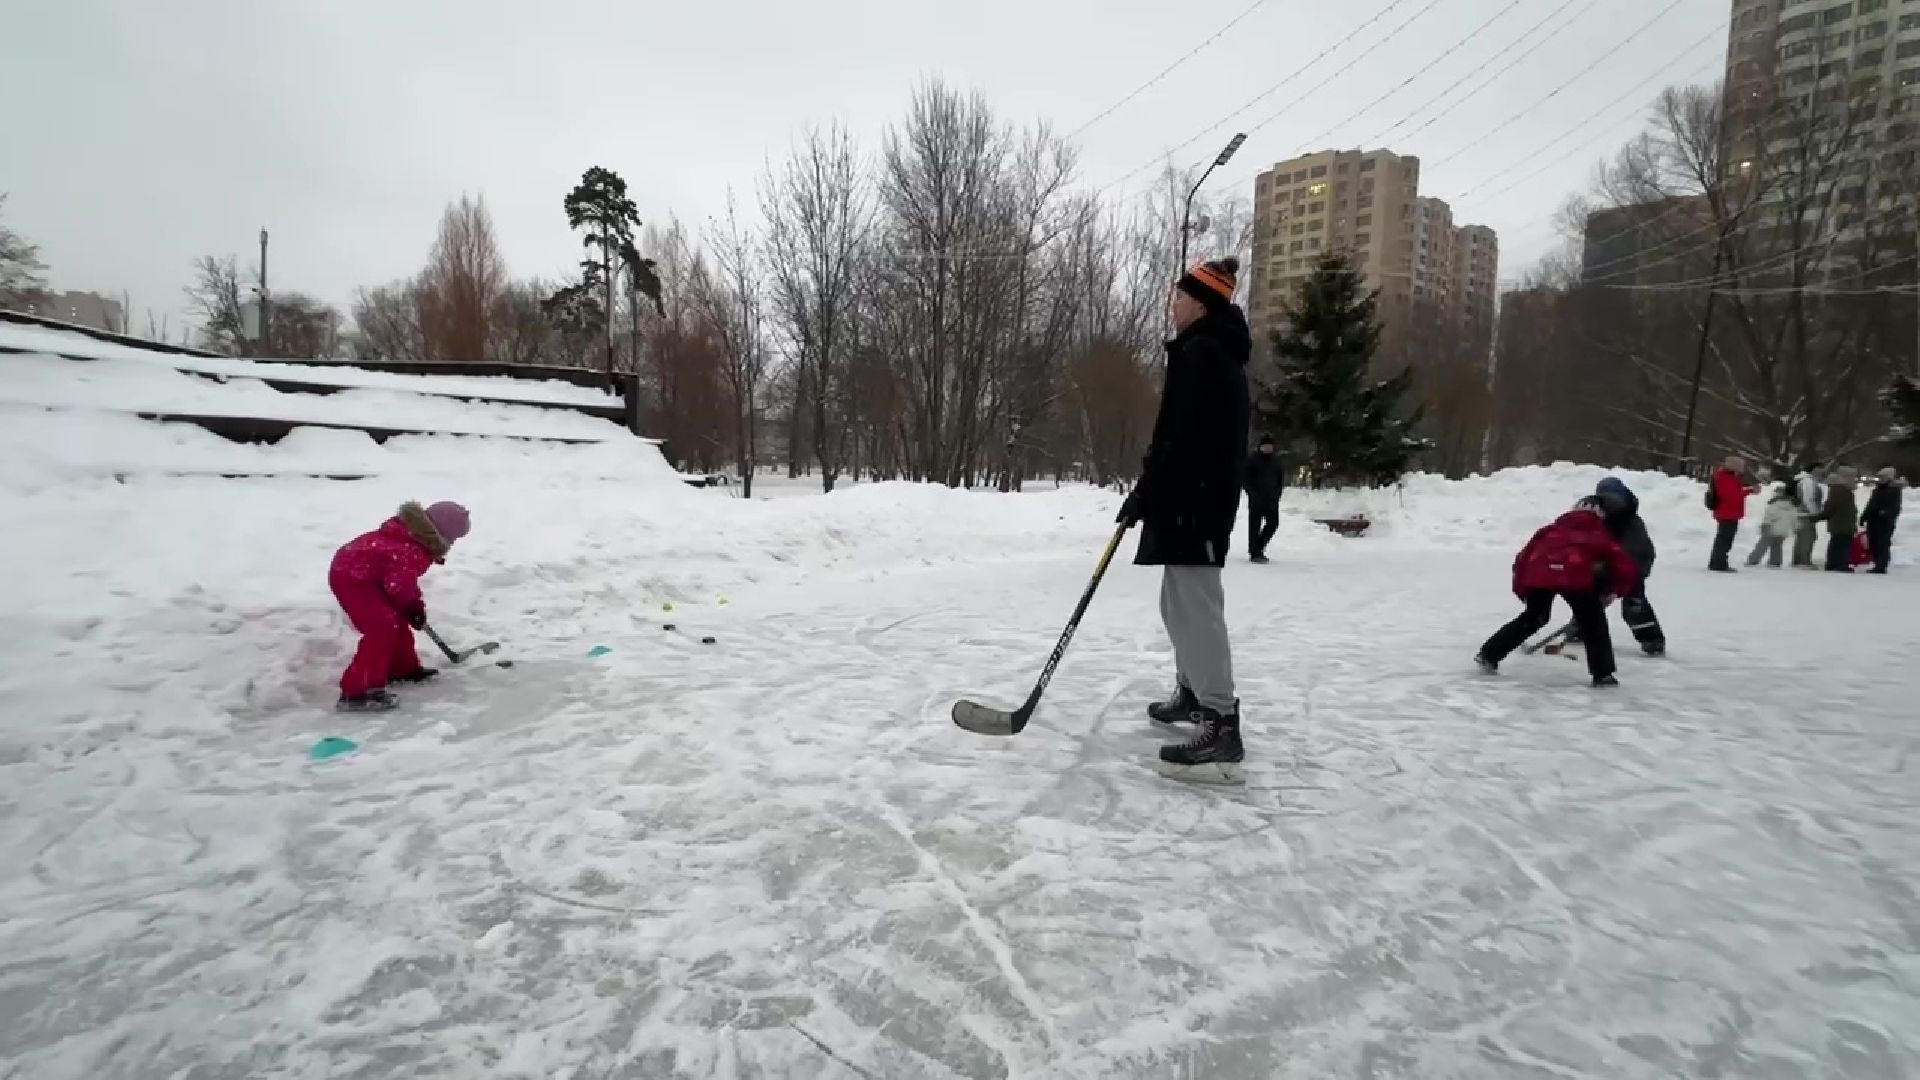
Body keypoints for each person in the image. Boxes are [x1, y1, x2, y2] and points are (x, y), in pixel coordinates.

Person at [1123, 255, 1251, 783]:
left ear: (1200, 304)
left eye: (1178, 297)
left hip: (1197, 502)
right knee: (1178, 606)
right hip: (1188, 499)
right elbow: (1175, 435)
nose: (1172, 304)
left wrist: (1149, 491)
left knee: (1196, 609)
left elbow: (1184, 438)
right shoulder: (1205, 351)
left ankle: (1221, 722)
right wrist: (1150, 490)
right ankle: (1194, 693)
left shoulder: (1206, 354)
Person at [1476, 498, 1641, 687]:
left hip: (1540, 574)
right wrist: (1614, 591)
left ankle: (1488, 654)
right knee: (1593, 623)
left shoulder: (1549, 530)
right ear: (1600, 513)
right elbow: (1623, 565)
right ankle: (1603, 674)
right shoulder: (1598, 532)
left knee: (1534, 617)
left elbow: (1522, 559)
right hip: (1574, 577)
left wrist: (1522, 589)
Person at [330, 500, 471, 711]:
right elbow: (401, 585)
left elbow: (400, 582)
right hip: (353, 579)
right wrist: (414, 607)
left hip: (369, 575)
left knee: (396, 620)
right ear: (442, 534)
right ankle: (358, 691)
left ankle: (402, 669)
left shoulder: (410, 536)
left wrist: (411, 608)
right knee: (382, 627)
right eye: (453, 539)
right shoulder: (410, 549)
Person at [1705, 455, 1751, 572]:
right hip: (1727, 513)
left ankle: (1717, 562)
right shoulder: (1726, 478)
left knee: (1723, 539)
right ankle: (1718, 564)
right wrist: (1748, 491)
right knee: (1724, 540)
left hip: (1727, 512)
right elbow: (1732, 497)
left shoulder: (1725, 477)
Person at [1243, 433, 1283, 564]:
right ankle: (1254, 552)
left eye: (1270, 446)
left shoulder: (1276, 462)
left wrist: (1277, 494)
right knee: (1254, 525)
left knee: (1273, 523)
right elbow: (1245, 479)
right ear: (1260, 447)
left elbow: (1279, 480)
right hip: (1257, 498)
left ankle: (1259, 546)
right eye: (1265, 446)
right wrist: (1252, 493)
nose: (1267, 449)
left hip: (1271, 499)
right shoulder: (1252, 459)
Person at [1860, 467, 1904, 574]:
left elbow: (1895, 507)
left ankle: (1881, 565)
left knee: (1882, 543)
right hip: (1873, 519)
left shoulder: (1894, 490)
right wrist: (1864, 516)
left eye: (1882, 477)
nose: (1880, 479)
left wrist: (1885, 513)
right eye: (1879, 477)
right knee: (1873, 542)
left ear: (1889, 478)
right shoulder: (1878, 489)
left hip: (1884, 522)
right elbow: (1870, 504)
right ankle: (1877, 563)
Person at [1746, 484, 1800, 568]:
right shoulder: (1792, 507)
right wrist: (1795, 528)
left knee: (1762, 545)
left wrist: (1764, 526)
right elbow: (1794, 519)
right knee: (1777, 546)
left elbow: (1768, 517)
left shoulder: (1774, 505)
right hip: (1783, 531)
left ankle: (1753, 560)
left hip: (1771, 529)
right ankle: (1775, 562)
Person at [1819, 468, 1859, 572]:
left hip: (1839, 522)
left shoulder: (1840, 490)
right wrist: (1823, 515)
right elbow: (1832, 506)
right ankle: (1840, 564)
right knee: (1842, 544)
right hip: (1843, 523)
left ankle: (1833, 563)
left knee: (1836, 542)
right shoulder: (1841, 490)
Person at [1792, 465, 1826, 567]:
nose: (1821, 472)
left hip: (1799, 512)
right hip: (1806, 513)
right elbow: (1808, 499)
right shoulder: (1808, 482)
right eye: (1819, 469)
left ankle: (1797, 560)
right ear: (1813, 470)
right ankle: (1804, 560)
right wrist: (1814, 512)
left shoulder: (1801, 480)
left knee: (1801, 537)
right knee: (1808, 537)